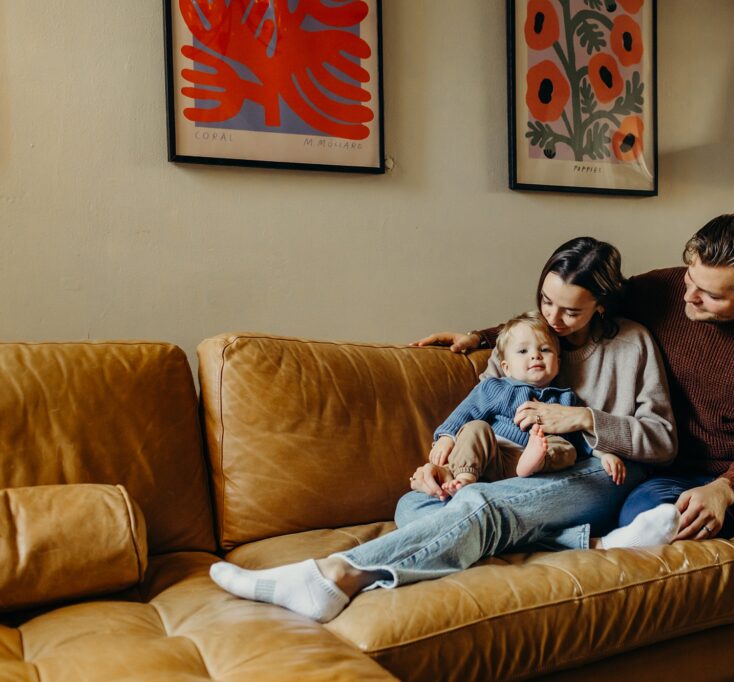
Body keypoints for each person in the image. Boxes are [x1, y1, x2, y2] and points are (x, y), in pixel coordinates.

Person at [434, 215, 734, 675]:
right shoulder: (661, 290)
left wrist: (728, 489)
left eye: (711, 294)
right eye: (691, 277)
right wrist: (485, 335)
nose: (689, 295)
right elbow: (571, 307)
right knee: (643, 527)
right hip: (672, 472)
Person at [209, 237, 679, 624]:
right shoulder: (522, 339)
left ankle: (337, 575)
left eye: (571, 313)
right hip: (508, 471)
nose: (553, 322)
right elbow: (479, 412)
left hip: (598, 472)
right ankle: (594, 545)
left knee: (478, 503)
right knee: (414, 504)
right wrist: (441, 457)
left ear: (600, 306)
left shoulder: (631, 343)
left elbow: (662, 439)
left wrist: (584, 419)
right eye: (545, 302)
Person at [429, 310, 626, 496]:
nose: (535, 355)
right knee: (475, 428)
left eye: (545, 349)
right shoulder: (496, 387)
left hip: (536, 462)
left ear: (558, 362)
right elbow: (466, 411)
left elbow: (580, 438)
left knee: (565, 447)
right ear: (506, 367)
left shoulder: (565, 398)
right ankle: (465, 479)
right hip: (494, 456)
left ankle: (532, 463)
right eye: (523, 351)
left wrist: (603, 454)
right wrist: (446, 437)